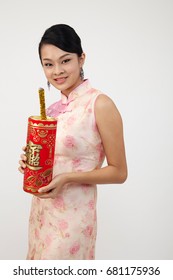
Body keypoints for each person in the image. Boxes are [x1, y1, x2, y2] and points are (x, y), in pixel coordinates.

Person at [18, 24, 128, 260]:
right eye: (48, 64)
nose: (57, 70)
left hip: (74, 221)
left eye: (65, 60)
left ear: (81, 59)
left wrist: (68, 178)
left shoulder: (99, 104)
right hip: (42, 214)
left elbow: (119, 172)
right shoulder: (51, 111)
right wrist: (30, 163)